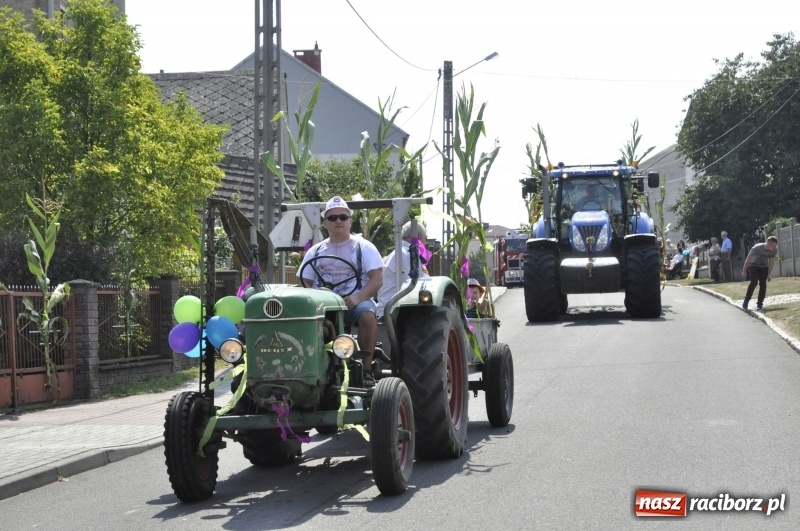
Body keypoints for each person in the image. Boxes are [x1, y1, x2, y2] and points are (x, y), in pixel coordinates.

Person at [298, 196, 383, 386]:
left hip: (355, 301)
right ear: (325, 223)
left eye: (343, 217)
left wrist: (358, 297)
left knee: (368, 316)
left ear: (350, 221)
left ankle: (366, 369)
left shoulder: (364, 247)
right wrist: (313, 299)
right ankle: (309, 368)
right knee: (302, 319)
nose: (338, 221)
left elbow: (377, 278)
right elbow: (304, 279)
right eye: (333, 217)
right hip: (324, 304)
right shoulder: (316, 251)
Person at [376, 220, 430, 319]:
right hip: (394, 311)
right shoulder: (406, 255)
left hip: (389, 309)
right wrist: (427, 276)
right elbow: (412, 287)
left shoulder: (400, 253)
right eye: (425, 239)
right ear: (419, 237)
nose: (425, 243)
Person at [741, 235, 779, 311]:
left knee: (763, 284)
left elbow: (771, 262)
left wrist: (769, 274)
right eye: (774, 246)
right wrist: (744, 270)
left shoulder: (774, 250)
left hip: (764, 267)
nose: (775, 248)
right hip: (753, 265)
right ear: (769, 244)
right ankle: (746, 300)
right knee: (754, 282)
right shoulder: (757, 248)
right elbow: (748, 259)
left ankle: (759, 304)